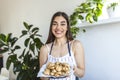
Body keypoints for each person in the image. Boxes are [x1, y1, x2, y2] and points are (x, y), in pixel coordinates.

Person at [39, 11, 85, 80]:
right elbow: (42, 77)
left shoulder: (76, 45)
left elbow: (82, 73)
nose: (58, 27)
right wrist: (48, 72)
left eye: (62, 24)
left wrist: (74, 69)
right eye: (55, 24)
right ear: (51, 27)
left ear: (67, 27)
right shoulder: (45, 49)